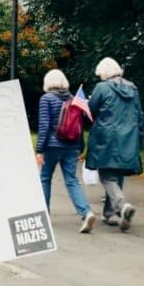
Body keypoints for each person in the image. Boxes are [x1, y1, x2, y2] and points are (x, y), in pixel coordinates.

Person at [86, 57, 144, 231]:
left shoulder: (102, 88)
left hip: (107, 136)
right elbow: (139, 115)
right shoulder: (133, 88)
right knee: (117, 173)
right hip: (129, 136)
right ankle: (111, 215)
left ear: (104, 72)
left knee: (106, 176)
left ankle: (122, 205)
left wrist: (89, 101)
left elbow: (91, 110)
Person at [35, 69, 95, 233]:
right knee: (71, 180)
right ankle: (86, 212)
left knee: (45, 178)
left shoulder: (46, 99)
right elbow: (79, 126)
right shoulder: (73, 99)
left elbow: (44, 126)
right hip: (71, 145)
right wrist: (80, 146)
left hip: (52, 146)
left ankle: (44, 215)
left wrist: (39, 149)